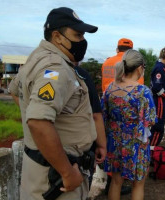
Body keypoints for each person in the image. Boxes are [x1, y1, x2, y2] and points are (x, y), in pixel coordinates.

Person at [8, 7, 99, 199]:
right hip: (57, 177)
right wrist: (67, 172)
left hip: (44, 167)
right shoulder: (54, 67)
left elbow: (15, 91)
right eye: (78, 35)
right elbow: (38, 121)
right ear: (57, 36)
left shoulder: (36, 58)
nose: (82, 41)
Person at [102, 49, 157, 200]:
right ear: (140, 68)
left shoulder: (110, 88)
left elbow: (103, 115)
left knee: (115, 181)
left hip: (114, 141)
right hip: (136, 142)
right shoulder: (142, 91)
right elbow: (150, 119)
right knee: (138, 183)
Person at [73, 64, 107, 189]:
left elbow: (14, 90)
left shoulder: (36, 68)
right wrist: (101, 145)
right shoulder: (81, 74)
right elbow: (96, 115)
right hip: (79, 147)